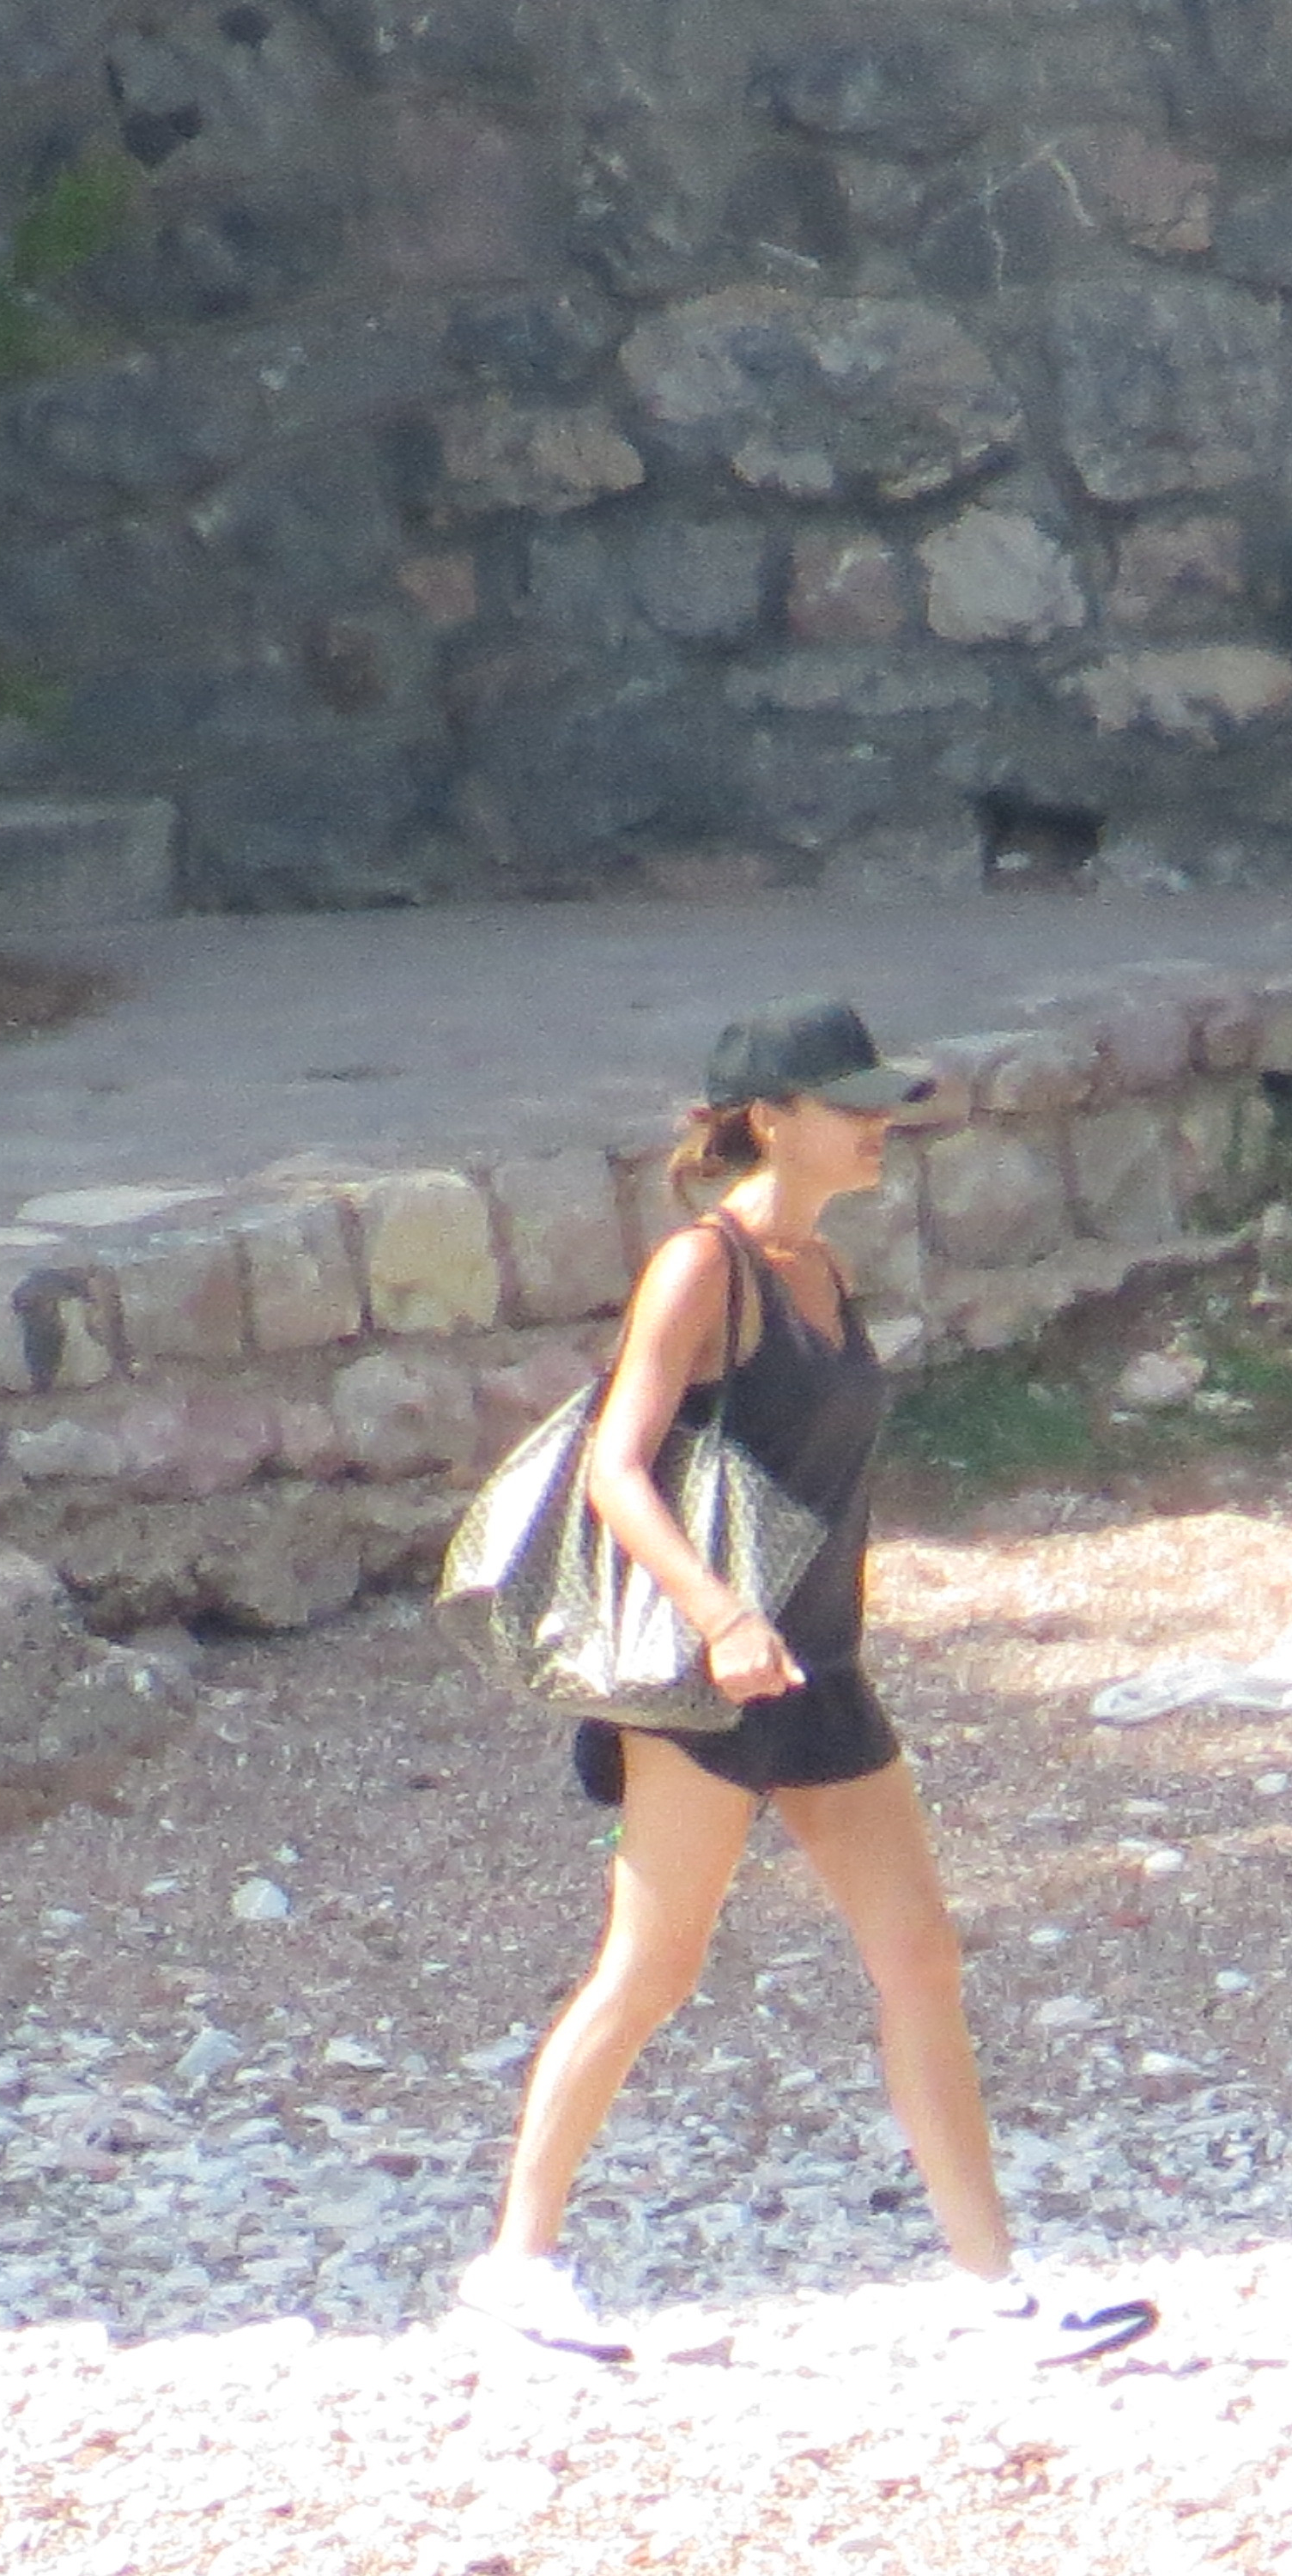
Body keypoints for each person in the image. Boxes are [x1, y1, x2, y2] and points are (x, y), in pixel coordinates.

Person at [456, 995, 1154, 2367]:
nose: (882, 1125)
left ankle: (993, 2292)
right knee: (649, 1972)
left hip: (821, 1668)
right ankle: (515, 2267)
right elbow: (613, 1469)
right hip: (706, 1684)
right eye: (854, 1105)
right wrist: (717, 1613)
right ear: (771, 1119)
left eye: (884, 1102)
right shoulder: (701, 1269)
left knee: (921, 1959)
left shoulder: (822, 1269)